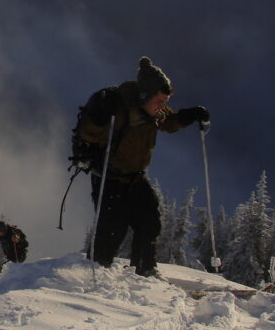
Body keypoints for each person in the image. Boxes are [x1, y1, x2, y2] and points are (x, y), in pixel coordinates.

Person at [78, 56, 209, 277]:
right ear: (144, 95)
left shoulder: (153, 110)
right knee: (113, 230)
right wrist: (99, 117)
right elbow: (88, 133)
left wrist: (190, 115)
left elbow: (169, 122)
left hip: (134, 177)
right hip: (109, 179)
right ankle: (95, 274)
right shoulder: (118, 109)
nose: (162, 106)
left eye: (165, 101)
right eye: (159, 101)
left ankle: (144, 272)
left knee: (149, 221)